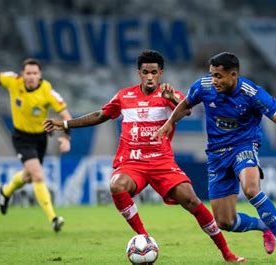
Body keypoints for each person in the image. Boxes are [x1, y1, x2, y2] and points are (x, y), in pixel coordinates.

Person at [43, 50, 245, 262]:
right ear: (139, 73)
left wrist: (171, 99)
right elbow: (100, 115)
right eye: (146, 72)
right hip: (133, 162)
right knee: (117, 185)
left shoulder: (169, 95)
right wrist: (64, 124)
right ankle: (143, 236)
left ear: (161, 73)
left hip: (162, 162)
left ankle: (227, 253)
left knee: (192, 200)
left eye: (154, 72)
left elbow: (186, 110)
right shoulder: (124, 96)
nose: (150, 77)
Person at [153, 52, 276, 264]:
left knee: (251, 189)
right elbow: (185, 104)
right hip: (216, 154)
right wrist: (168, 123)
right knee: (225, 222)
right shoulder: (204, 86)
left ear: (233, 75)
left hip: (244, 146)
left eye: (219, 76)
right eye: (212, 75)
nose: (214, 80)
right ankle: (264, 225)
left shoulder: (252, 93)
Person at [0, 43, 71, 232]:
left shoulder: (48, 92)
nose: (31, 77)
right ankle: (54, 218)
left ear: (40, 75)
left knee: (27, 176)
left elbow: (67, 116)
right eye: (28, 73)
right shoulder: (13, 82)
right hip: (21, 137)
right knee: (38, 175)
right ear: (22, 74)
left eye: (35, 73)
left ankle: (6, 191)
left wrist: (66, 138)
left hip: (40, 138)